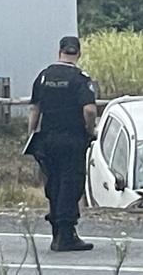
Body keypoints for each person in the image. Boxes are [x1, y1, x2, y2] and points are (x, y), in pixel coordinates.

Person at [28, 36, 97, 252]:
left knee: (54, 183)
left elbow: (34, 109)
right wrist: (90, 129)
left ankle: (56, 232)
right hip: (72, 138)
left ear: (59, 51)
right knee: (71, 183)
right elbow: (89, 109)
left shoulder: (43, 76)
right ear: (78, 53)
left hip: (48, 139)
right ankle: (66, 235)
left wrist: (32, 134)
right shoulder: (80, 78)